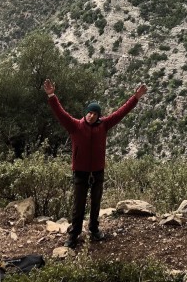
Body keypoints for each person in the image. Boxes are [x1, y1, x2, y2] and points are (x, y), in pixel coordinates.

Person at [43, 78, 147, 247]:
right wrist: (51, 95)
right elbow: (60, 112)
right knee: (78, 206)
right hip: (80, 173)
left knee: (95, 203)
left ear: (99, 116)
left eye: (94, 113)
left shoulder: (104, 125)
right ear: (86, 113)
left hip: (98, 172)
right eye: (89, 112)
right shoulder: (75, 126)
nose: (91, 115)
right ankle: (74, 234)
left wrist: (136, 97)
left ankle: (94, 229)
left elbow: (121, 112)